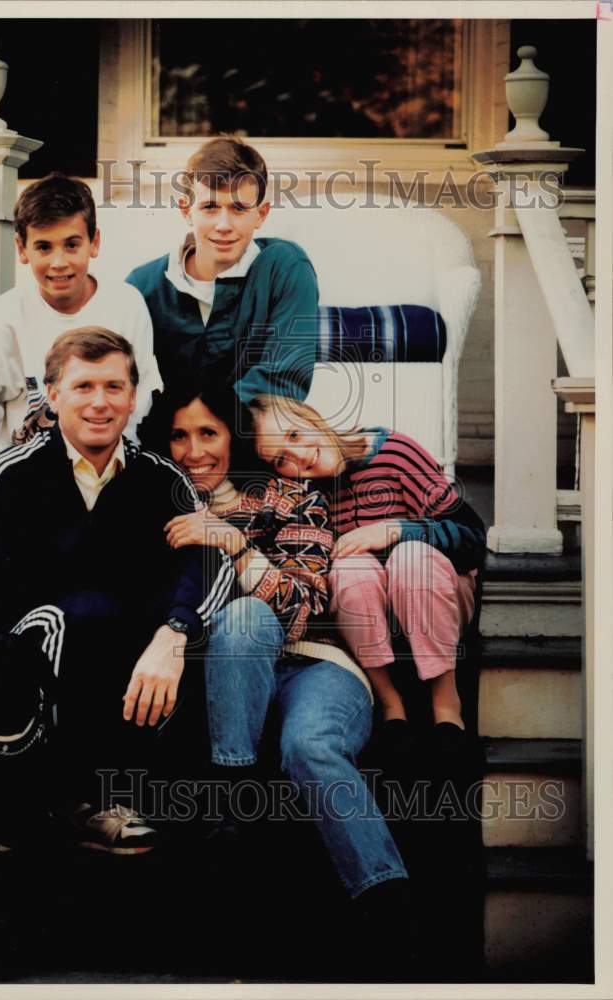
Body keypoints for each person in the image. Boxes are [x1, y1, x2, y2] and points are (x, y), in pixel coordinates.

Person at [0, 328, 234, 854]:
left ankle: (100, 800)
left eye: (114, 387)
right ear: (53, 394)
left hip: (125, 669)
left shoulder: (161, 480)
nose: (99, 402)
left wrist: (174, 633)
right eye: (84, 385)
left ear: (133, 398)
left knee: (148, 625)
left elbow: (209, 561)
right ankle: (64, 797)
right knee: (65, 617)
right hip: (29, 662)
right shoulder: (6, 477)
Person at [139, 382, 409, 915]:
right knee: (235, 625)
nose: (195, 451)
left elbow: (299, 607)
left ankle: (389, 906)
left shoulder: (289, 497)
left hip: (313, 664)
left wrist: (234, 543)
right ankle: (236, 800)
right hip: (217, 674)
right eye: (178, 436)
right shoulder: (153, 504)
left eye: (208, 433)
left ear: (232, 438)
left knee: (310, 745)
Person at [249, 394, 486, 754]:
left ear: (311, 417)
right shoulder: (305, 496)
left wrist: (395, 530)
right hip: (367, 617)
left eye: (295, 435)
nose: (299, 456)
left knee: (410, 558)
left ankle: (446, 702)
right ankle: (390, 702)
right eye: (281, 459)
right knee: (349, 566)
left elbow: (471, 535)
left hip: (437, 595)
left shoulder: (394, 452)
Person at [0, 172, 162, 535]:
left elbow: (140, 407)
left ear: (94, 242)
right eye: (43, 247)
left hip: (104, 484)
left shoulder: (125, 306)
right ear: (22, 249)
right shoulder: (0, 320)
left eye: (72, 244)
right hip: (23, 493)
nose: (59, 262)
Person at [126, 135, 319, 404]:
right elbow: (124, 382)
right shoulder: (143, 285)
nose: (224, 224)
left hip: (257, 436)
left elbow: (285, 378)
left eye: (239, 208)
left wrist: (206, 420)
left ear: (261, 214)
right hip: (170, 438)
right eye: (210, 207)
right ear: (186, 211)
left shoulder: (285, 268)